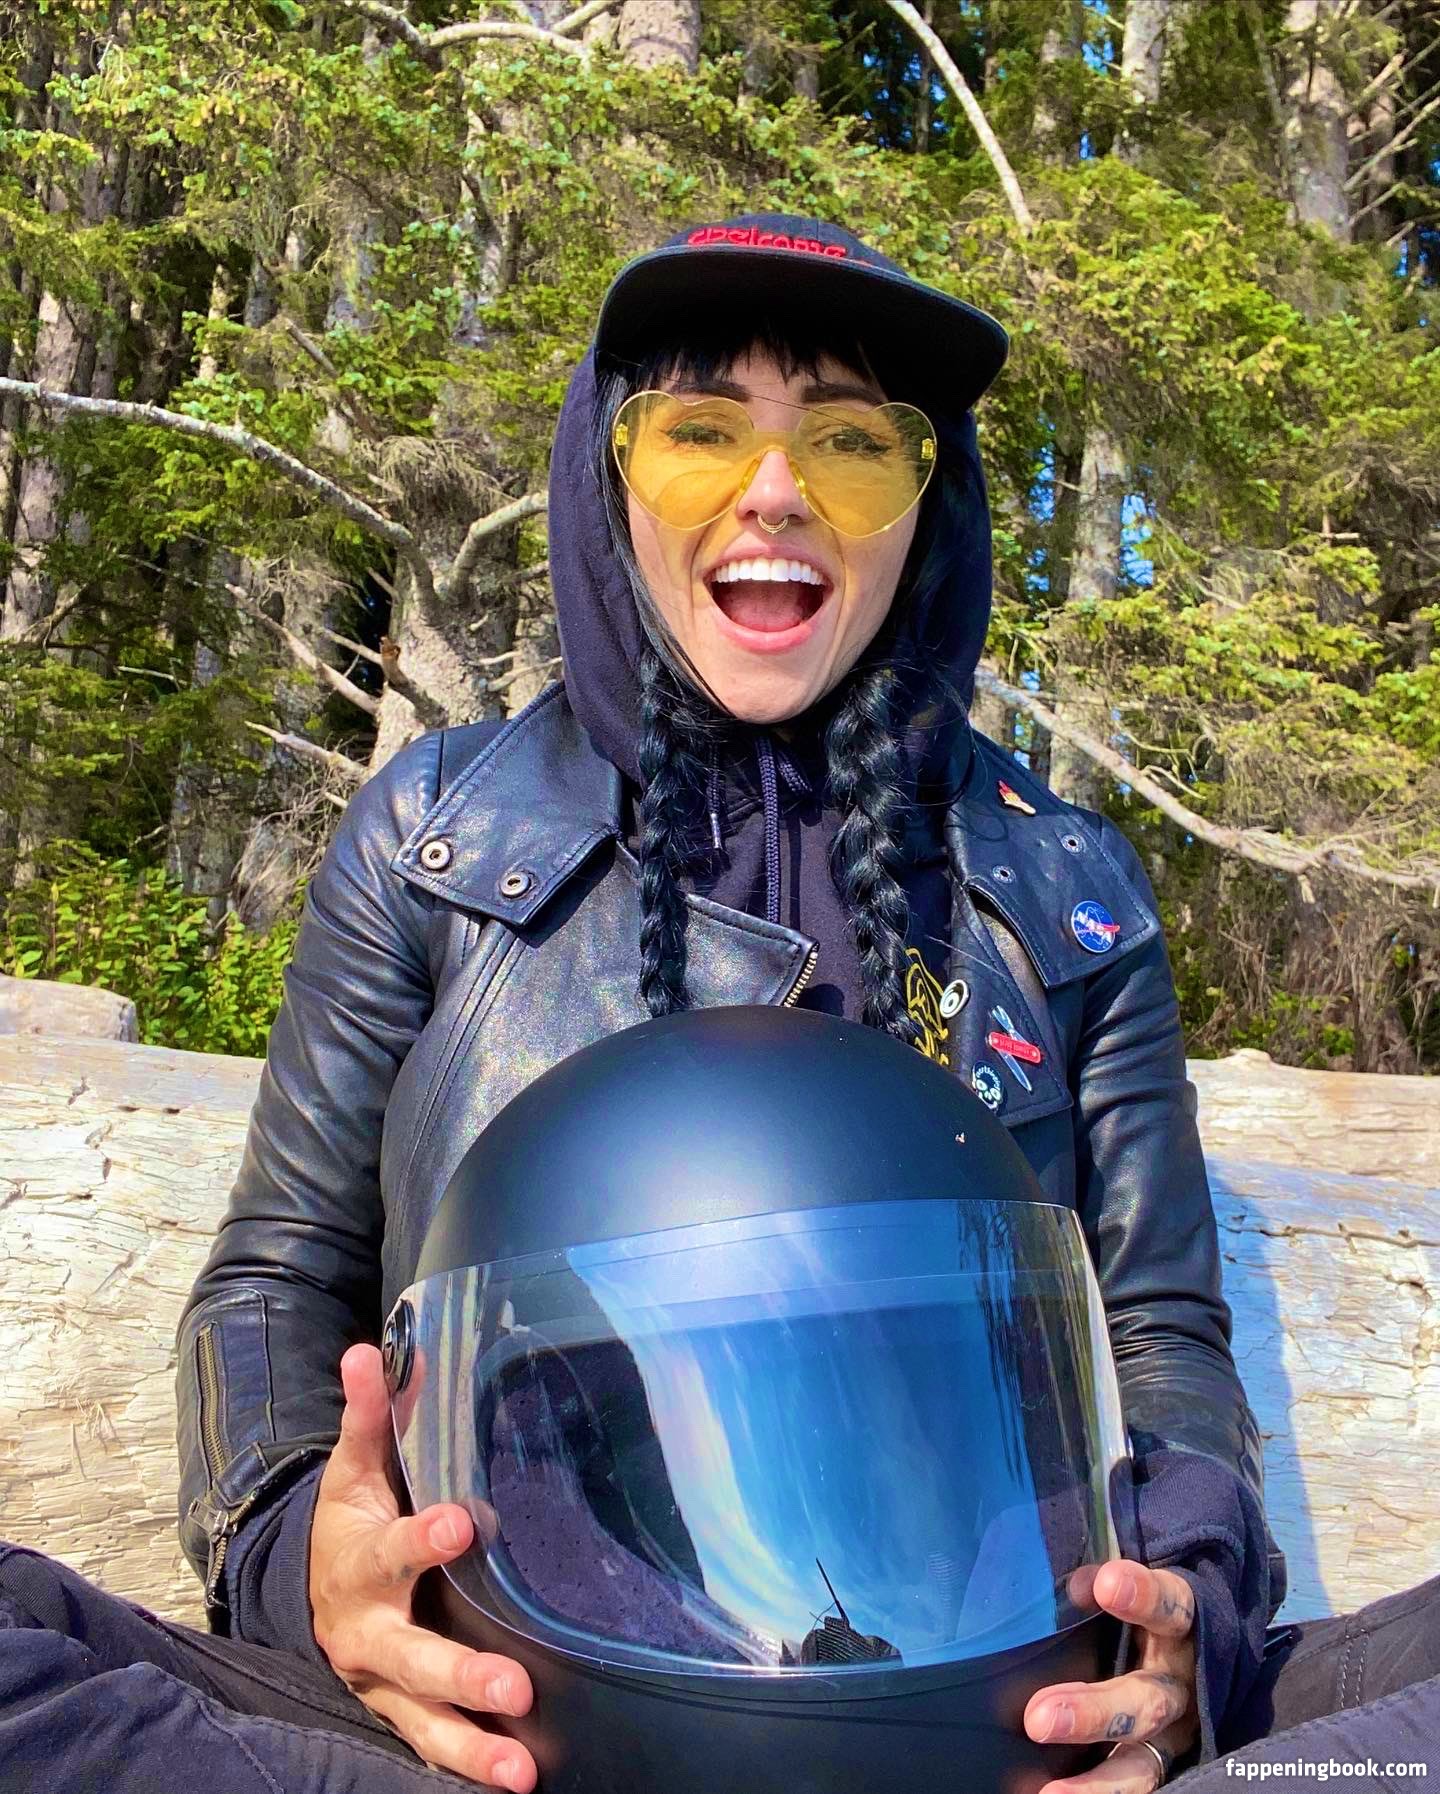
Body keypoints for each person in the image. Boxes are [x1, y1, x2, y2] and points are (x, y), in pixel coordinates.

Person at [1, 212, 1437, 1794]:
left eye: (850, 443)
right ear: (610, 475)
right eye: (700, 434)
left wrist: (1184, 1631)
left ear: (928, 500)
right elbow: (278, 1274)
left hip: (983, 1728)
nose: (773, 492)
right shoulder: (440, 840)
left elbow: (1157, 1326)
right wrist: (309, 1564)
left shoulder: (1061, 890)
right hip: (511, 1729)